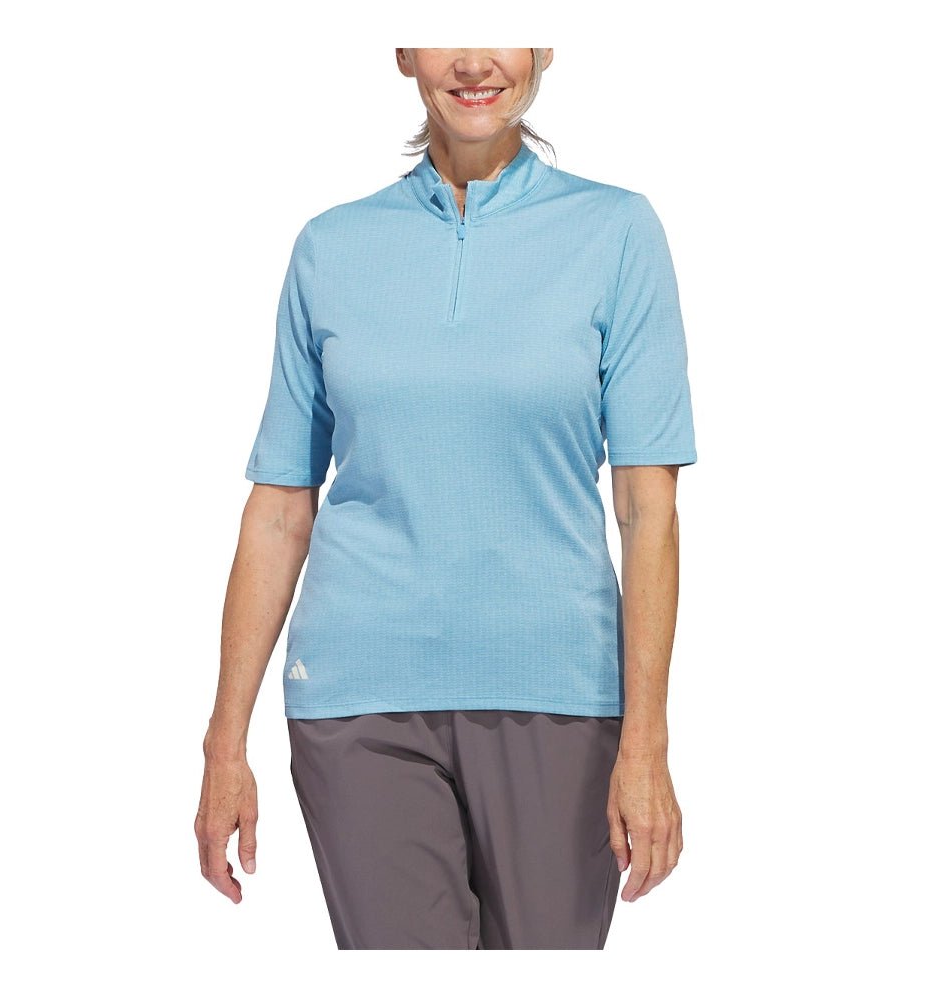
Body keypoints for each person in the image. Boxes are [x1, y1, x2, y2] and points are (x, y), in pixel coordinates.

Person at [195, 47, 697, 950]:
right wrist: (223, 746)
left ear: (545, 45)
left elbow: (646, 509)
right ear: (401, 51)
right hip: (357, 696)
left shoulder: (617, 233)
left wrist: (647, 743)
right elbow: (279, 509)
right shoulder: (331, 248)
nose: (472, 61)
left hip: (561, 696)